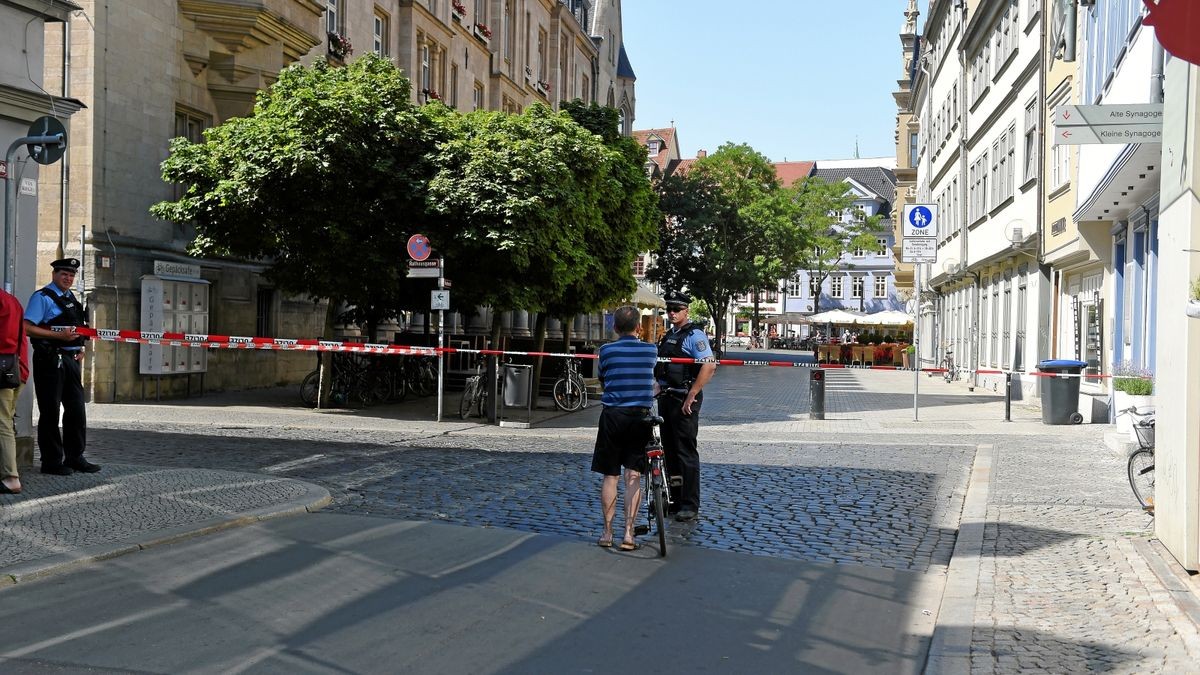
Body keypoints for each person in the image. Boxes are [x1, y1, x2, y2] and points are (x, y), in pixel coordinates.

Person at [591, 305, 659, 551]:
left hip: (612, 416)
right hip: (639, 417)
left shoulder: (606, 351)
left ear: (614, 327)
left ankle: (607, 532)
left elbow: (602, 378)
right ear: (639, 327)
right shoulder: (651, 350)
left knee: (611, 475)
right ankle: (629, 534)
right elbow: (654, 378)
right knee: (633, 476)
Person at [24, 257, 99, 475]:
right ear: (54, 274)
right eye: (64, 274)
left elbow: (77, 327)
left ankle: (75, 457)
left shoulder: (70, 297)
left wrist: (80, 346)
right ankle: (52, 461)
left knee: (76, 409)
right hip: (49, 359)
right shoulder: (42, 297)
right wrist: (56, 336)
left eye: (71, 275)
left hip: (70, 359)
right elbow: (27, 327)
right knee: (50, 411)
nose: (68, 278)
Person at [656, 291, 716, 522]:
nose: (672, 313)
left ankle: (690, 504)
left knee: (685, 452)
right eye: (669, 309)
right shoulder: (668, 335)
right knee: (669, 452)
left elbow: (709, 366)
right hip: (667, 398)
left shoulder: (695, 335)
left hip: (684, 400)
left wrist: (693, 393)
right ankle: (675, 499)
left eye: (677, 309)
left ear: (686, 311)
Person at [0, 288, 29, 494]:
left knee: (2, 423)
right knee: (6, 422)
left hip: (3, 372)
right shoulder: (11, 300)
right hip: (17, 370)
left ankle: (11, 477)